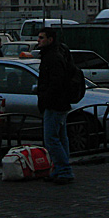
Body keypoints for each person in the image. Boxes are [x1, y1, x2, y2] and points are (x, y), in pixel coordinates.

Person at [36, 27, 74, 185]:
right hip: (60, 103)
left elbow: (55, 83)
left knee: (51, 139)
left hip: (54, 104)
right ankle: (61, 169)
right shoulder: (55, 55)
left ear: (50, 40)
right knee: (60, 138)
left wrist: (45, 97)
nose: (38, 40)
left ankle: (64, 170)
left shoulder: (52, 58)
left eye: (41, 38)